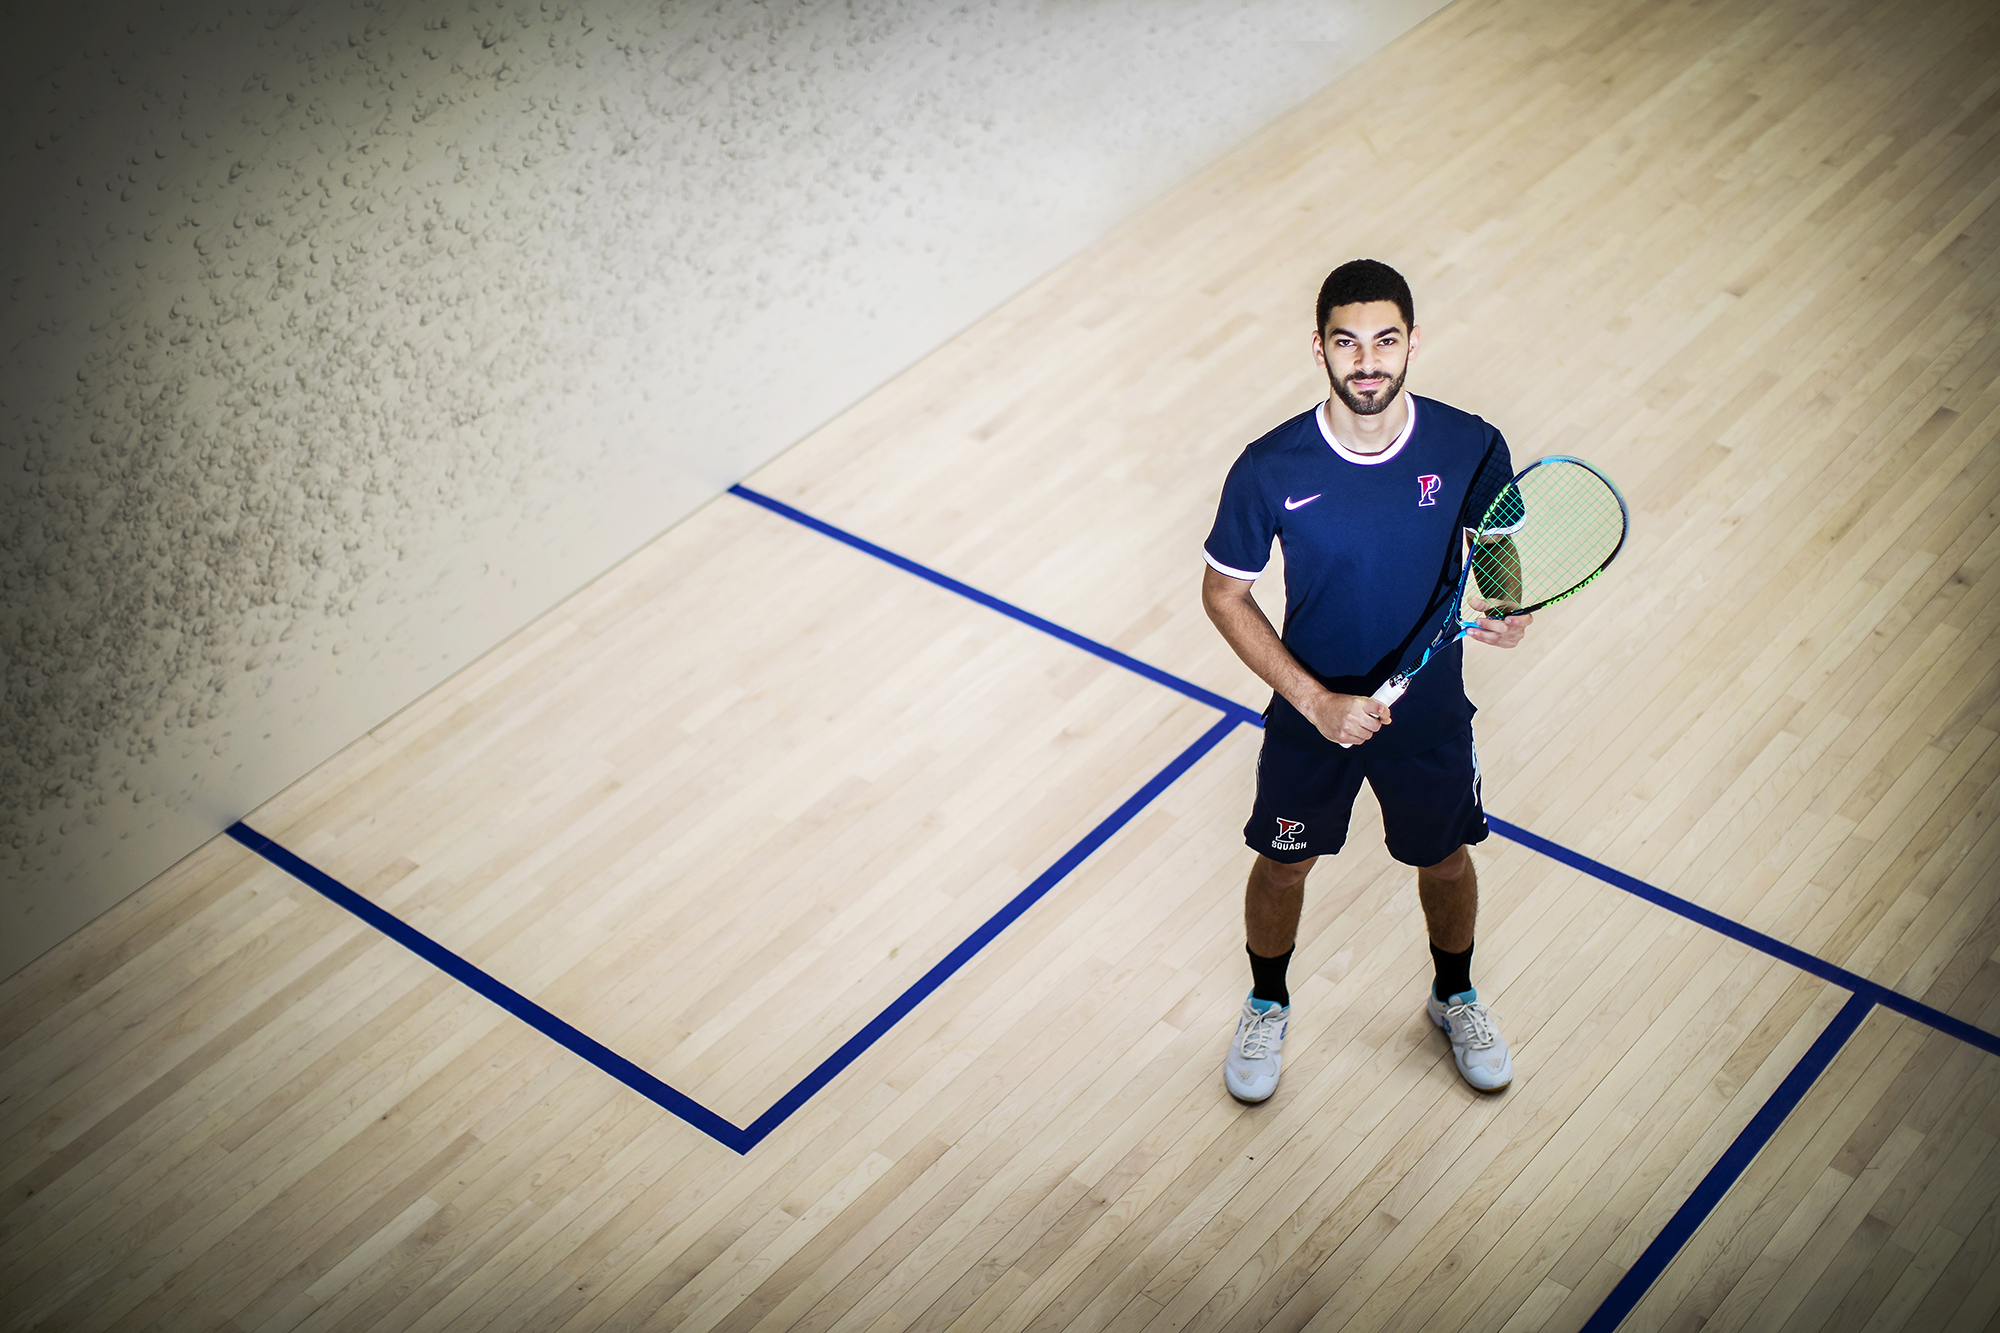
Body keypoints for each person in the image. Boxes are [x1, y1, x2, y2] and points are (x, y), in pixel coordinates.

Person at [1200, 258, 1532, 1102]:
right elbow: (1223, 592)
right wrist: (1315, 700)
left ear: (1413, 343)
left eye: (1386, 340)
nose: (1369, 361)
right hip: (1313, 715)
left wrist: (1510, 599)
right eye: (1348, 343)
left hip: (1428, 715)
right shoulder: (1269, 466)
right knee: (1281, 867)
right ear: (1319, 349)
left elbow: (1494, 542)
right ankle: (1266, 1000)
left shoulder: (1470, 444)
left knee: (1447, 858)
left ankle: (1453, 992)